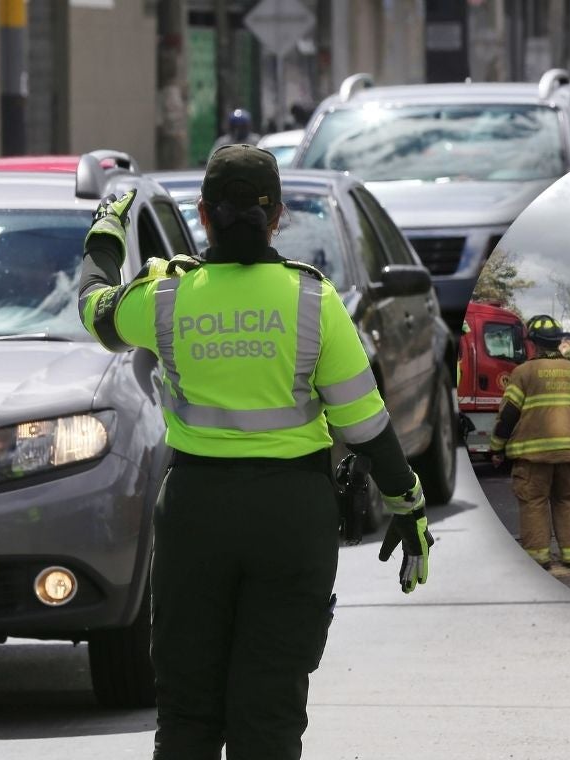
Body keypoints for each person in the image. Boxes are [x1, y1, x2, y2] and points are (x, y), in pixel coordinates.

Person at [77, 144, 433, 760]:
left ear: (203, 214)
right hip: (291, 517)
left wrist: (106, 234)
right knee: (268, 717)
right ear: (278, 218)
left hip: (195, 513)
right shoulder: (313, 302)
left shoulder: (166, 298)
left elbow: (92, 308)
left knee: (187, 716)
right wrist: (409, 507)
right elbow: (369, 428)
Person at [489, 314, 570, 569]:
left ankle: (538, 559)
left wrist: (497, 448)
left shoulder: (524, 372)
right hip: (569, 454)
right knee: (568, 501)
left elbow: (508, 415)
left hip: (532, 456)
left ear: (533, 343)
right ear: (559, 342)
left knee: (534, 503)